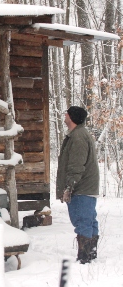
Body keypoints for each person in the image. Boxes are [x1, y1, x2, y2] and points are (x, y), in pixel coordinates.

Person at [56, 106, 100, 264]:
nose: (65, 115)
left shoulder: (78, 137)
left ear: (72, 117)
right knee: (88, 220)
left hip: (81, 188)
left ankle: (84, 258)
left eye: (66, 113)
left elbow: (76, 165)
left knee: (82, 220)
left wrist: (70, 186)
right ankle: (90, 253)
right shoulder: (78, 134)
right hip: (85, 187)